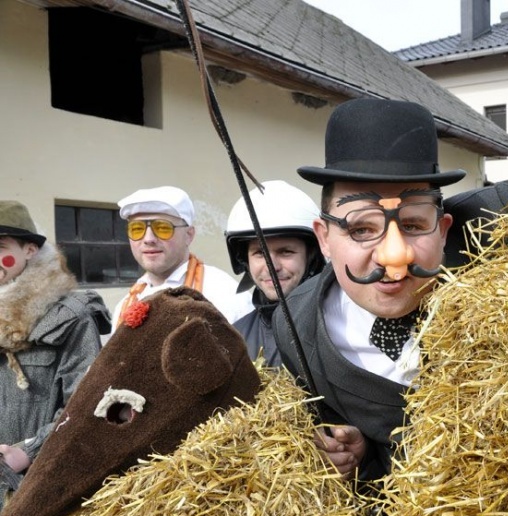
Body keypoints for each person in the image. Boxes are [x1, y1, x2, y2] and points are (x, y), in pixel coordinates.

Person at [274, 98, 463, 488]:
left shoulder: (503, 279)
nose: (395, 256)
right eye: (361, 229)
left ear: (443, 230)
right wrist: (357, 457)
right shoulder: (298, 328)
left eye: (413, 224)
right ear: (324, 239)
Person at [0, 201, 111, 516]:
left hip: (43, 494)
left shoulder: (69, 316)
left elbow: (88, 407)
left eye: (2, 246)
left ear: (30, 250)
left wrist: (27, 450)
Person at [111, 185, 249, 329]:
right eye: (137, 229)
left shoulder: (223, 293)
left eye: (163, 228)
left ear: (189, 235)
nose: (149, 239)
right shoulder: (125, 305)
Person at [225, 181, 325, 365]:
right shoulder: (233, 342)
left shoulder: (343, 327)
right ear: (245, 260)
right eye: (260, 253)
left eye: (285, 251)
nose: (272, 266)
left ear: (311, 255)